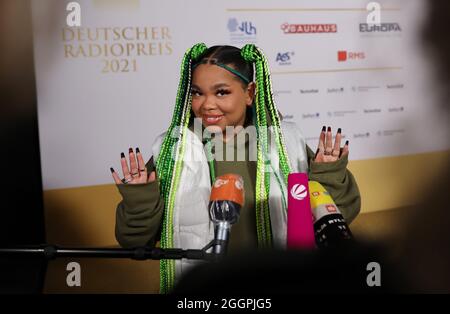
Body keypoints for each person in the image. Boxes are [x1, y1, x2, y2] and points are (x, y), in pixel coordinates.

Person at [109, 44, 361, 293]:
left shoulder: (286, 143)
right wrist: (140, 199)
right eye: (197, 93)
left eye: (221, 92)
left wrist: (327, 176)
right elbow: (134, 241)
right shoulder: (172, 150)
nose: (206, 104)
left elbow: (335, 223)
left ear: (249, 93)